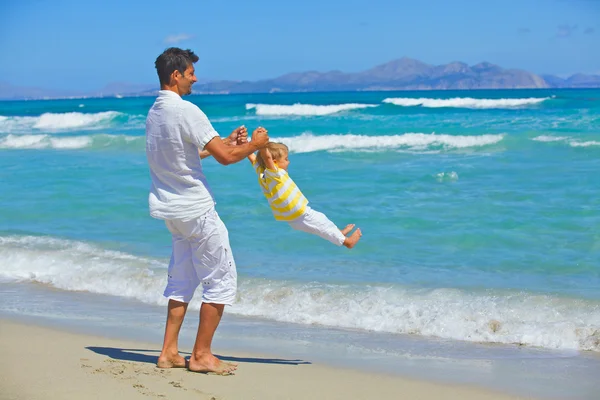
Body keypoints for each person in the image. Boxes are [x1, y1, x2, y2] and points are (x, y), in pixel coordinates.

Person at [146, 47, 269, 375]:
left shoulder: (155, 113)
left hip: (172, 212)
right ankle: (201, 355)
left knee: (182, 280)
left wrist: (228, 141)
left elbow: (188, 156)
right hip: (197, 211)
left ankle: (169, 352)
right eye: (190, 73)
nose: (195, 78)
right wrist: (255, 146)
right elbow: (227, 159)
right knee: (221, 279)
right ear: (176, 75)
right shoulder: (187, 111)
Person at [247, 141, 362, 248]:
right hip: (299, 213)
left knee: (321, 224)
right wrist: (261, 145)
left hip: (291, 218)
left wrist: (246, 145)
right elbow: (267, 158)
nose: (289, 162)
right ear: (274, 162)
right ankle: (347, 242)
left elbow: (254, 159)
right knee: (321, 223)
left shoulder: (262, 174)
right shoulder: (274, 174)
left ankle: (338, 234)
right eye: (286, 159)